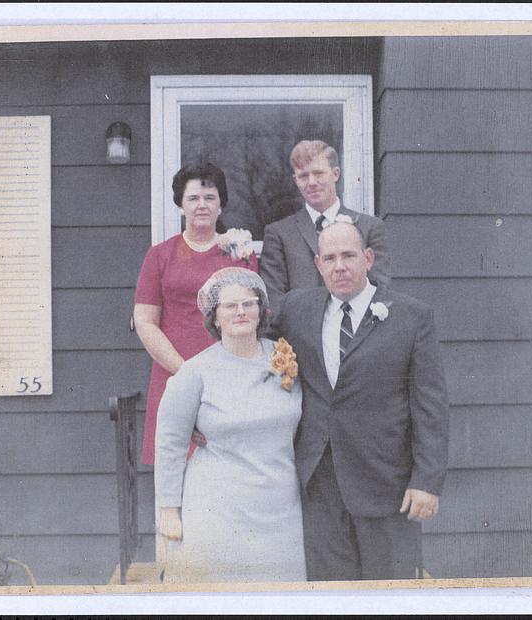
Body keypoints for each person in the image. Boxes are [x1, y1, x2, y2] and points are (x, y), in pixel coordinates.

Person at [271, 221, 449, 581]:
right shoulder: (295, 309)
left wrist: (427, 480)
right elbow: (244, 343)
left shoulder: (412, 317)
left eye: (349, 256)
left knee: (390, 595)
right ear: (318, 264)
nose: (340, 266)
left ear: (368, 258)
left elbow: (430, 405)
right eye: (330, 258)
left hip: (387, 485)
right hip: (320, 482)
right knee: (331, 597)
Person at [154, 267, 306, 583]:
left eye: (249, 303)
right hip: (218, 508)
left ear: (261, 310)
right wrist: (168, 508)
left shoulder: (285, 358)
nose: (240, 312)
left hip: (279, 505)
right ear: (215, 316)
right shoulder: (196, 372)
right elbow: (170, 441)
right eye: (230, 306)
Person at [133, 163, 258, 465]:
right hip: (175, 374)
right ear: (180, 205)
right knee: (178, 476)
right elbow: (145, 322)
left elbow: (254, 318)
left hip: (229, 380)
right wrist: (187, 373)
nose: (202, 205)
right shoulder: (160, 255)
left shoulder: (240, 253)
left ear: (221, 204)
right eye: (193, 198)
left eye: (210, 197)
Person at [260, 139, 392, 313]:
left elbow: (378, 290)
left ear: (335, 173)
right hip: (298, 335)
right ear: (295, 180)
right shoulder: (279, 234)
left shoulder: (369, 227)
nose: (312, 182)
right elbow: (275, 301)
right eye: (303, 176)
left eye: (319, 173)